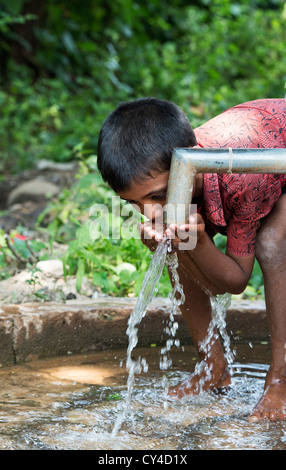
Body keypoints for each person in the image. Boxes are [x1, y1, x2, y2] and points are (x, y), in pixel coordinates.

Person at [97, 97, 286, 422]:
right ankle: (213, 366)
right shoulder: (166, 166)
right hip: (252, 164)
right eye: (133, 202)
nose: (149, 213)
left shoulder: (241, 177)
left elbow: (236, 281)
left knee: (271, 244)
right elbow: (206, 279)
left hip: (270, 161)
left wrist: (197, 242)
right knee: (174, 240)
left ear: (192, 162)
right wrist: (175, 244)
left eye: (157, 196)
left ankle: (281, 381)